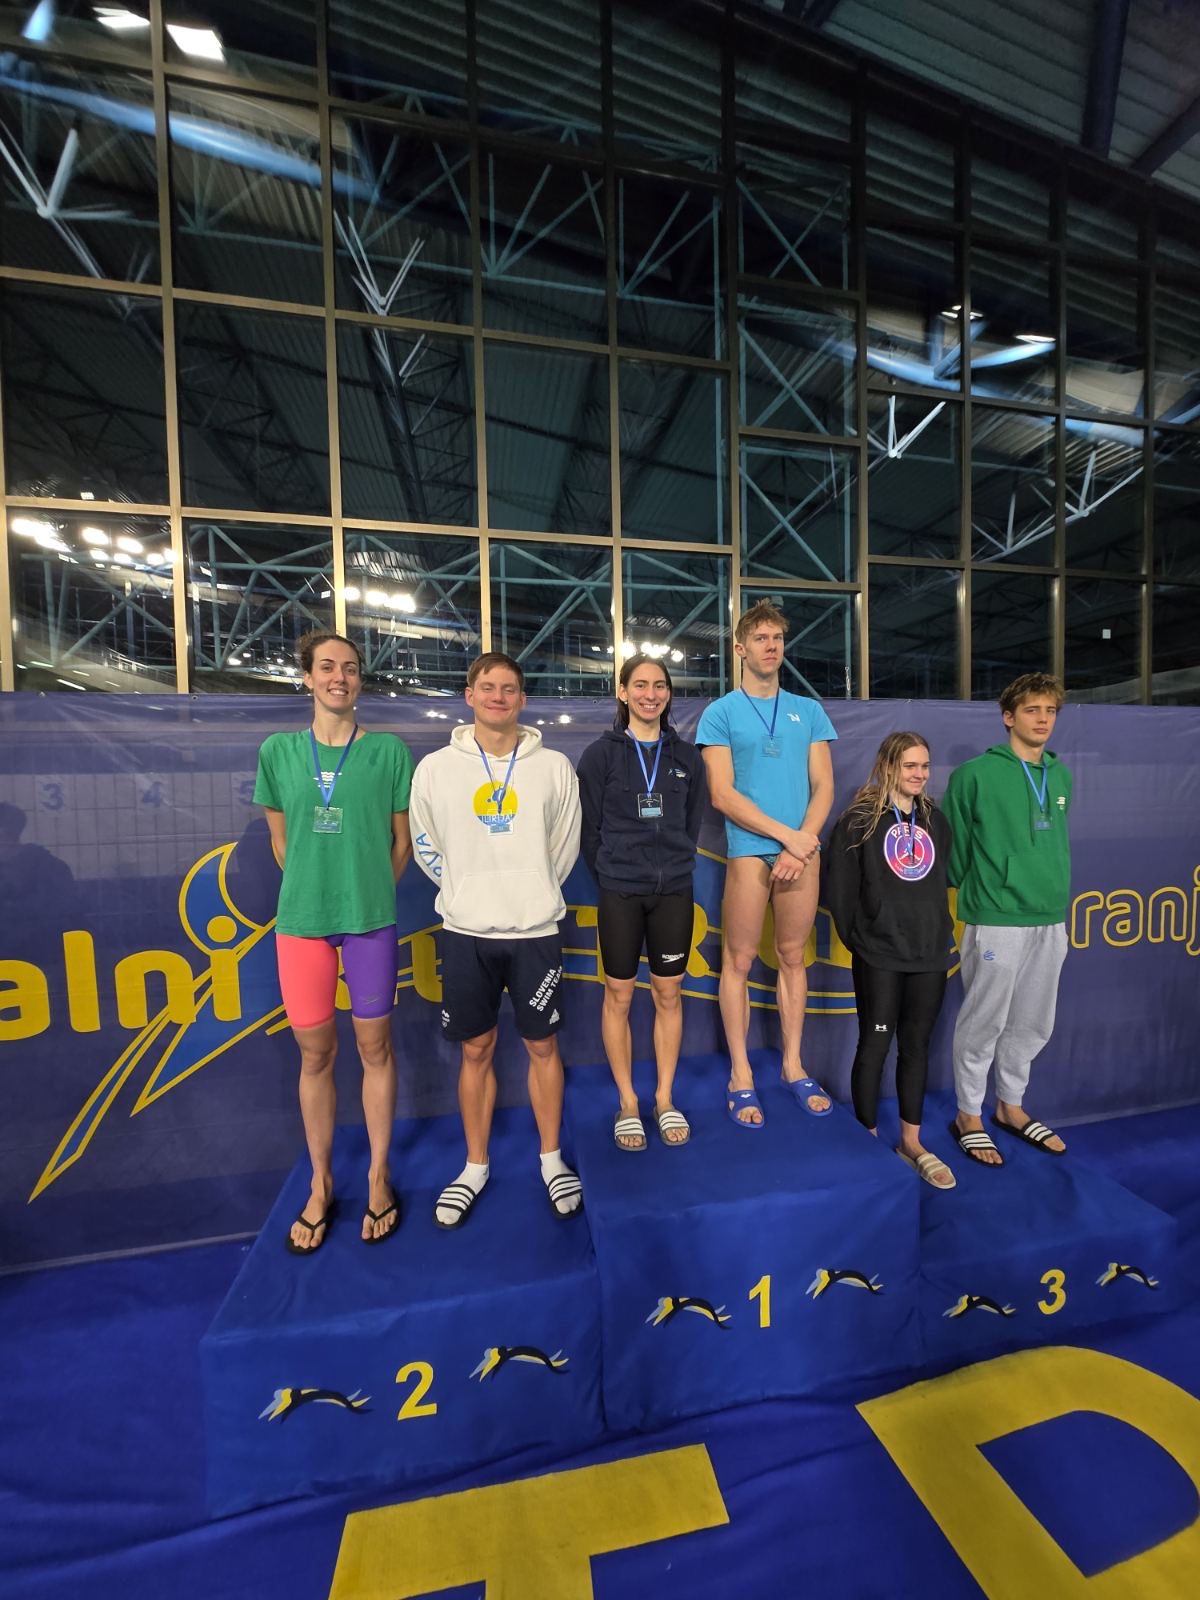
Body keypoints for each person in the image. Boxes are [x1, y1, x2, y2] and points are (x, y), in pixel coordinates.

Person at [409, 652, 583, 1226]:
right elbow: (425, 842)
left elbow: (564, 847)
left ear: (523, 700)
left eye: (509, 689)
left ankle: (551, 1159)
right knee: (475, 1050)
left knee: (543, 1047)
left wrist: (530, 889)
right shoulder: (436, 768)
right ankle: (475, 1165)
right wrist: (466, 889)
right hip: (465, 931)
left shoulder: (554, 767)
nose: (498, 697)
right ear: (469, 695)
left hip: (535, 930)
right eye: (488, 687)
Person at [254, 631, 413, 1254]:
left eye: (349, 668)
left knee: (376, 1048)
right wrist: (318, 890)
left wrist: (364, 892)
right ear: (308, 678)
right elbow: (280, 842)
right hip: (301, 924)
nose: (339, 677)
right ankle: (320, 1184)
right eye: (327, 667)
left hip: (370, 920)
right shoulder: (277, 752)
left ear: (359, 680)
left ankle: (378, 1175)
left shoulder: (388, 752)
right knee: (315, 1056)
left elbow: (401, 843)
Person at [696, 600, 837, 1128]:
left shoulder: (808, 710)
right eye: (760, 638)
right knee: (737, 961)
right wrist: (787, 839)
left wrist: (802, 845)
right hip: (751, 851)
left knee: (793, 956)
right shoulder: (721, 713)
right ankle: (740, 1073)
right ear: (740, 647)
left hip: (802, 853)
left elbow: (824, 786)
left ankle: (793, 1064)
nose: (771, 645)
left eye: (777, 637)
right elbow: (722, 794)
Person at [942, 673, 1072, 1166]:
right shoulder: (974, 775)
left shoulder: (1061, 775)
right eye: (1032, 710)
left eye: (1050, 711)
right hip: (995, 915)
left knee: (1033, 1022)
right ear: (1008, 717)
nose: (1043, 719)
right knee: (985, 1021)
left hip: (1049, 915)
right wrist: (984, 889)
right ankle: (968, 1115)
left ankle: (1010, 1106)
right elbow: (954, 849)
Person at [577, 654, 705, 1151]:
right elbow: (589, 831)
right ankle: (628, 1101)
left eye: (660, 686)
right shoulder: (600, 756)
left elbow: (690, 825)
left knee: (669, 994)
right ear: (623, 692)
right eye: (641, 685)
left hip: (674, 892)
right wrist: (615, 873)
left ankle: (664, 1097)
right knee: (620, 994)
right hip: (620, 892)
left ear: (668, 694)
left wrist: (670, 864)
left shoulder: (686, 758)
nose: (651, 694)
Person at [825, 734, 956, 1189]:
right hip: (879, 954)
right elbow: (840, 892)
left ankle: (912, 1143)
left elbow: (938, 882)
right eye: (909, 766)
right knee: (875, 1045)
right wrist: (864, 940)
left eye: (925, 766)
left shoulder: (935, 820)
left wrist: (934, 934)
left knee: (916, 1048)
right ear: (887, 767)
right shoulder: (858, 822)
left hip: (929, 953)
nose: (919, 774)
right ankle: (867, 1141)